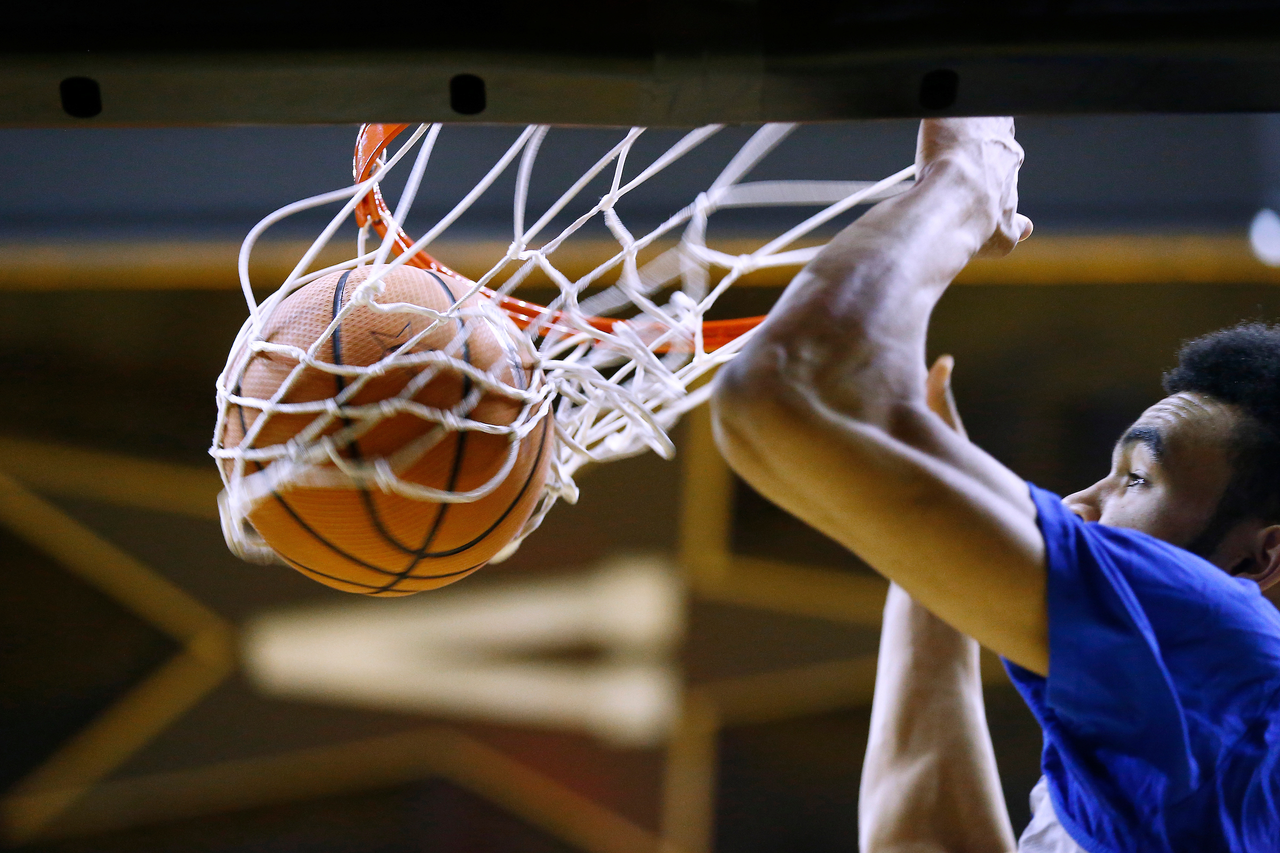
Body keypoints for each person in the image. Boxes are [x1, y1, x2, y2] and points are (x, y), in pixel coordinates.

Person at [710, 117, 1280, 852]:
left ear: (1263, 561)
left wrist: (964, 184)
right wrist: (927, 527)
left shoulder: (1242, 666)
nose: (1080, 503)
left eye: (1136, 478)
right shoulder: (1200, 749)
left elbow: (790, 395)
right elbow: (924, 834)